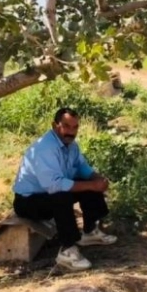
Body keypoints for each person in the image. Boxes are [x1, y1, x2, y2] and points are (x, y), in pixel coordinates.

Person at [11, 107, 117, 271]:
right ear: (55, 125)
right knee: (62, 196)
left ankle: (89, 232)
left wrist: (96, 178)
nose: (71, 132)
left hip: (48, 195)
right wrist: (91, 184)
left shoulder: (70, 145)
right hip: (28, 202)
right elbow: (54, 185)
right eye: (66, 126)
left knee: (87, 184)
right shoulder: (45, 148)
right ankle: (67, 250)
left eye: (75, 127)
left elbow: (81, 167)